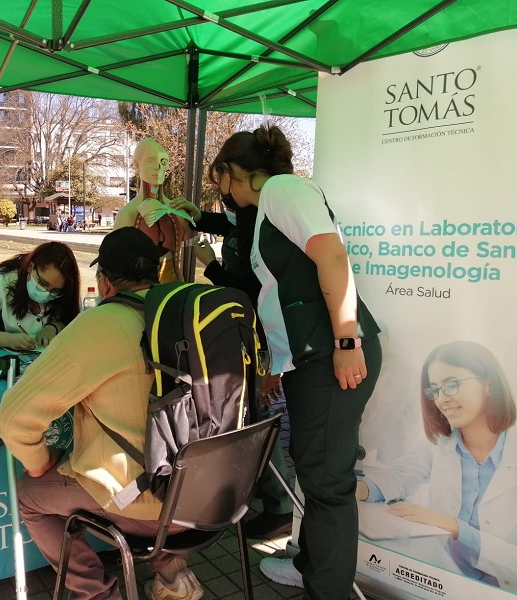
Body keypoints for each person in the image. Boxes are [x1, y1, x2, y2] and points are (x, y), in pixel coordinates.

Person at [208, 127, 382, 600]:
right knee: (315, 472)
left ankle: (326, 589)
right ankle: (310, 565)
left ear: (229, 173)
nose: (220, 192)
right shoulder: (271, 204)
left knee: (327, 485)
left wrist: (347, 341)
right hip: (311, 359)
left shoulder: (284, 189)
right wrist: (276, 365)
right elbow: (285, 295)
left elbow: (331, 255)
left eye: (218, 179)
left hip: (331, 355)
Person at [0, 227, 204, 600]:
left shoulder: (101, 323)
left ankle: (96, 594)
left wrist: (38, 461)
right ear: (155, 275)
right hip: (210, 494)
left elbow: (14, 419)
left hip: (147, 505)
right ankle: (174, 577)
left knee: (30, 494)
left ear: (104, 282)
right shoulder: (188, 313)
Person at [170, 197, 294, 539]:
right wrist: (200, 218)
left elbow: (247, 294)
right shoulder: (245, 217)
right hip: (251, 334)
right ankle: (270, 497)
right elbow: (228, 226)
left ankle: (281, 505)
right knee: (251, 415)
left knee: (254, 416)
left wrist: (210, 266)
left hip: (259, 336)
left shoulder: (261, 226)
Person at [357, 341, 516, 591]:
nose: (442, 399)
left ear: (488, 383)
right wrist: (361, 489)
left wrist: (453, 527)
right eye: (434, 390)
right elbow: (402, 474)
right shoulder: (441, 441)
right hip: (444, 580)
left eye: (452, 384)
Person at [0, 241, 80, 351]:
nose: (46, 293)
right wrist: (9, 340)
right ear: (30, 267)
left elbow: (74, 322)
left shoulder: (66, 290)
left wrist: (54, 327)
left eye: (55, 291)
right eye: (42, 283)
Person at [114, 138, 194, 283]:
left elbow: (196, 244)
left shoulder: (176, 210)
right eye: (150, 160)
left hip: (173, 291)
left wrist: (198, 220)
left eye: (162, 161)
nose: (157, 167)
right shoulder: (127, 214)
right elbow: (115, 263)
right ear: (137, 167)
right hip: (141, 296)